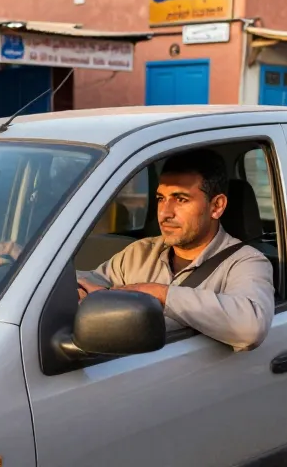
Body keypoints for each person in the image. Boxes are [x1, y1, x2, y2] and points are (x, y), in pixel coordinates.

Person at [70, 150, 275, 350]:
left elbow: (250, 327)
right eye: (161, 198)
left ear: (217, 206)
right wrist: (78, 289)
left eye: (181, 199)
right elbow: (90, 280)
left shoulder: (246, 262)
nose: (164, 213)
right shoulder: (141, 252)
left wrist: (158, 294)